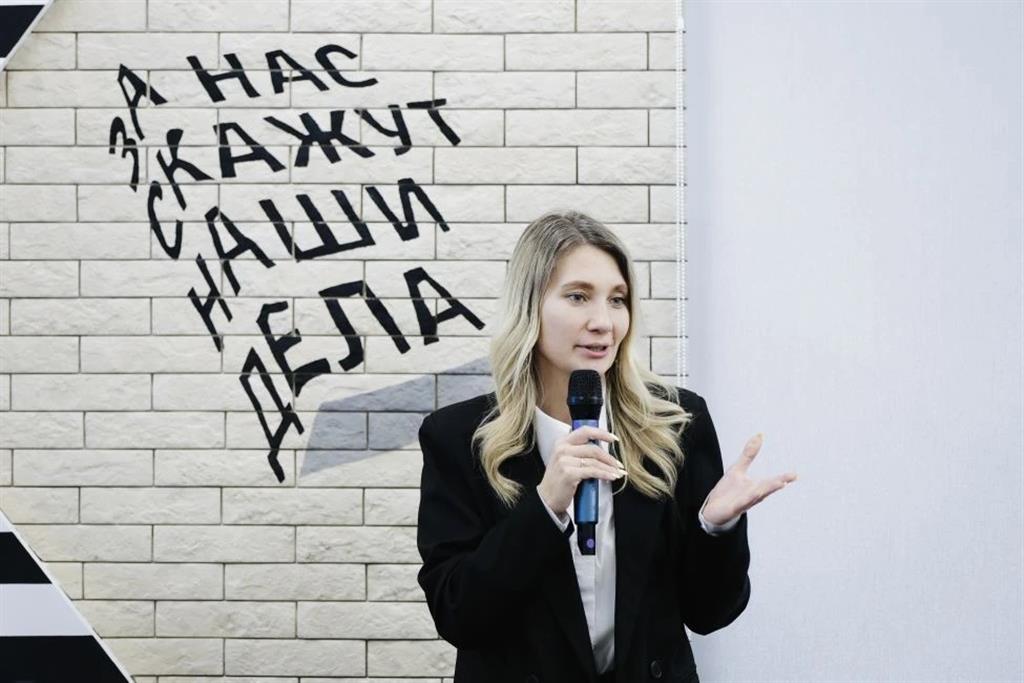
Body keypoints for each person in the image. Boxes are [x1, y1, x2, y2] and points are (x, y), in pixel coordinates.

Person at [416, 210, 798, 683]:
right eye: (578, 296)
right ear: (529, 306)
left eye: (617, 300)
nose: (603, 322)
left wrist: (714, 528)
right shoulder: (458, 438)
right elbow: (457, 614)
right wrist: (545, 506)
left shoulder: (677, 424)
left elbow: (709, 613)